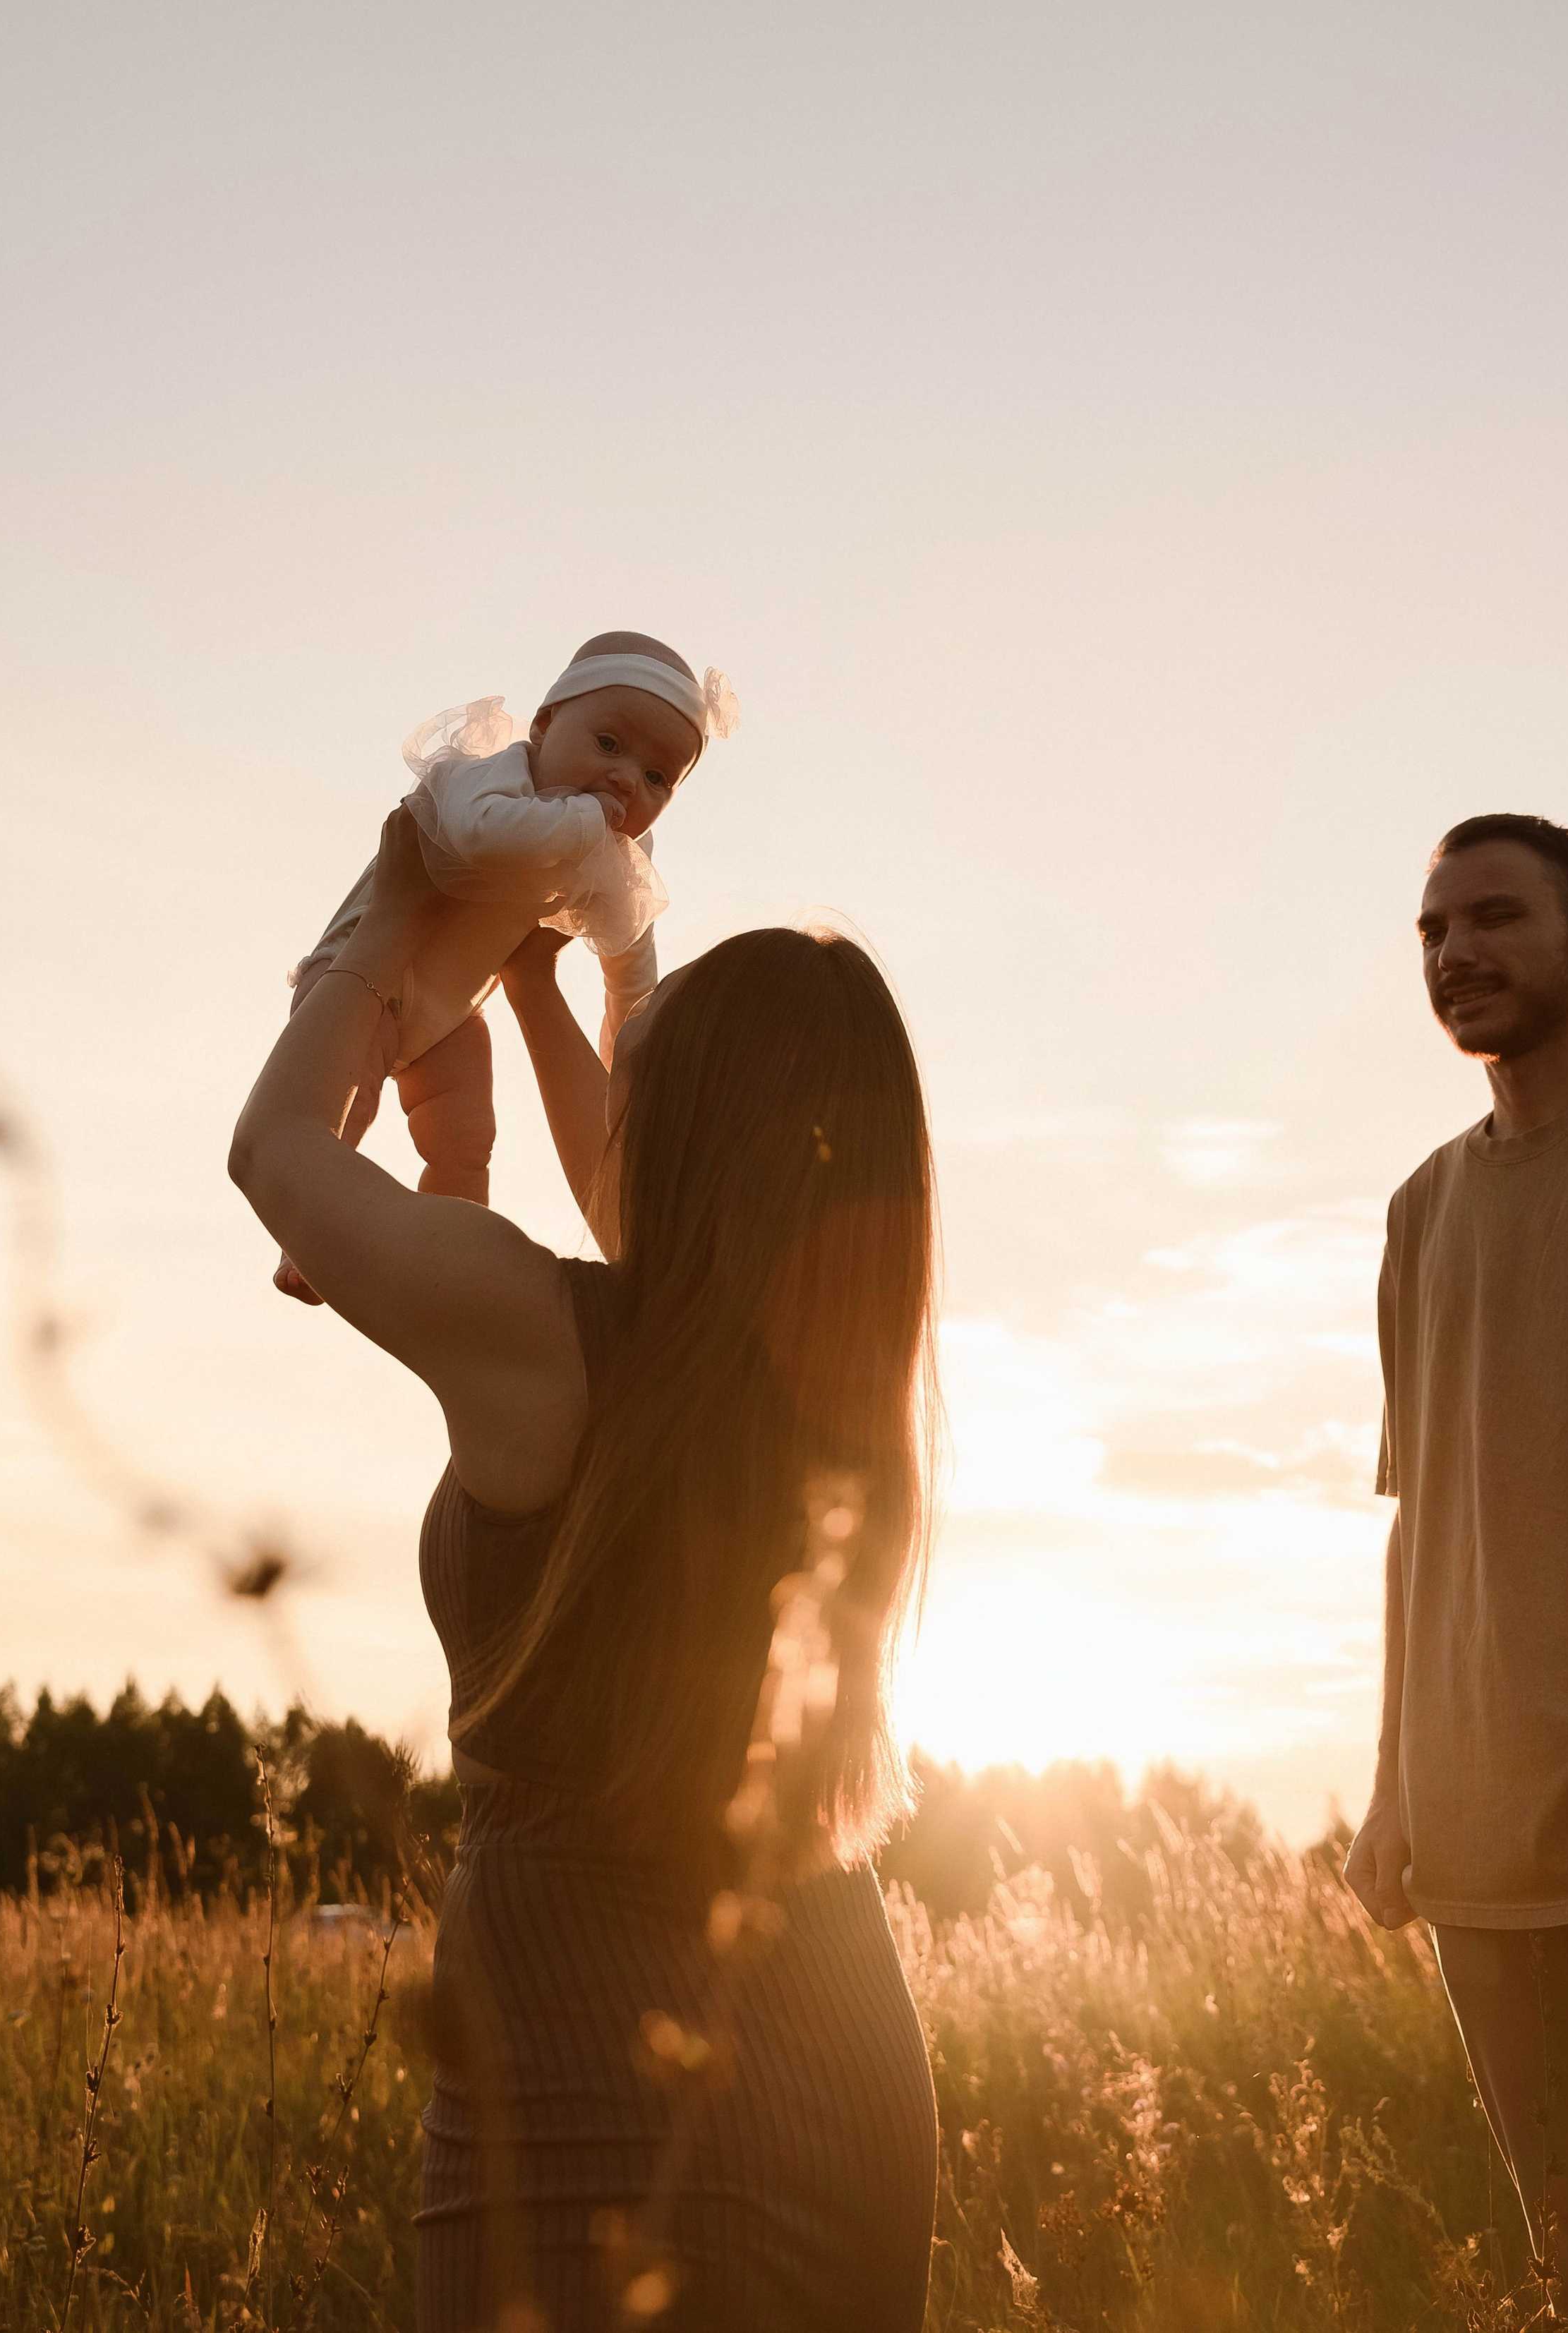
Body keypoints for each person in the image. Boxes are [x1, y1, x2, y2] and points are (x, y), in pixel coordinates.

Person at [229, 804, 941, 2331]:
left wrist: (387, 911)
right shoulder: (829, 1382)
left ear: (687, 1121)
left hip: (585, 2040)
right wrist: (535, 1011)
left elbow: (276, 1154)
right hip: (838, 2028)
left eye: (645, 1058)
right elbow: (640, 1213)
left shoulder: (553, 1340)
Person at [1344, 812, 1568, 2322]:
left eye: (1491, 918)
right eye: (1431, 931)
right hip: (1480, 1844)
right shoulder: (1419, 1212)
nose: (1455, 952)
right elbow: (1418, 1522)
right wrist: (1393, 1794)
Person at [271, 630, 737, 1302]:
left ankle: (451, 1260)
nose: (627, 779)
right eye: (609, 744)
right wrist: (584, 825)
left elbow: (630, 962)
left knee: (464, 1142)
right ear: (544, 727)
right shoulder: (487, 777)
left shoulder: (617, 852)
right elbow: (481, 835)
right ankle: (310, 1237)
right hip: (358, 978)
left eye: (658, 777)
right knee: (340, 1115)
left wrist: (628, 1047)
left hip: (450, 1018)